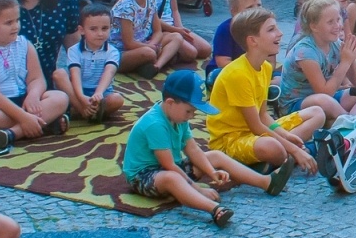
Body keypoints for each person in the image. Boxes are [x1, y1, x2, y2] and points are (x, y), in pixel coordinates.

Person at [123, 70, 294, 229]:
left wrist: (211, 172)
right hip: (144, 176)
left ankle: (266, 182)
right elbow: (169, 166)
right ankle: (214, 209)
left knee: (215, 156)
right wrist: (199, 189)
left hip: (169, 168)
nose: (191, 116)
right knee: (172, 178)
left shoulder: (178, 117)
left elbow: (193, 150)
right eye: (189, 111)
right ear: (170, 103)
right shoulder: (155, 124)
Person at [206, 8, 320, 171]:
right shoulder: (238, 74)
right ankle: (294, 153)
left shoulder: (265, 67)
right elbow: (256, 126)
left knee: (316, 113)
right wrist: (293, 148)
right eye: (271, 29)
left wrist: (286, 135)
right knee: (273, 147)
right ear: (253, 41)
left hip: (256, 133)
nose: (280, 33)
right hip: (231, 140)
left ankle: (285, 157)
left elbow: (263, 115)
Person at [0, 0, 71, 149]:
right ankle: (44, 123)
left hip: (22, 100)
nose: (16, 26)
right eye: (9, 22)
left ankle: (13, 133)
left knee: (60, 97)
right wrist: (23, 117)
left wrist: (33, 95)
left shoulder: (24, 44)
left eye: (17, 20)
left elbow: (37, 79)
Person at [284, 0, 356, 122]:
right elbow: (324, 93)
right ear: (314, 26)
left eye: (338, 19)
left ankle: (350, 119)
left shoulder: (335, 43)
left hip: (329, 99)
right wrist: (345, 63)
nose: (337, 25)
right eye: (330, 22)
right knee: (324, 100)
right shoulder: (305, 52)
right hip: (298, 105)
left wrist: (352, 58)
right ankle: (350, 120)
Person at [4, 0, 82, 84]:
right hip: (9, 79)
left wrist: (80, 77)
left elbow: (72, 39)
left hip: (46, 78)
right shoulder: (5, 3)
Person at [112, 0, 186, 77]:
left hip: (145, 44)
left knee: (176, 37)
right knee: (149, 53)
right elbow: (128, 44)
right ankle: (148, 61)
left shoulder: (151, 0)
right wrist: (150, 47)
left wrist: (152, 44)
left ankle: (156, 66)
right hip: (121, 52)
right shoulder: (126, 7)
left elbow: (158, 31)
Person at [53, 4, 124, 123]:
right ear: (82, 30)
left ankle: (80, 112)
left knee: (117, 99)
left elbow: (109, 73)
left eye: (104, 28)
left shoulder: (112, 51)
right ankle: (83, 110)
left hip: (101, 93)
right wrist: (81, 97)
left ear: (111, 28)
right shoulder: (74, 50)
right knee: (59, 74)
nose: (100, 33)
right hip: (78, 92)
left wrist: (98, 93)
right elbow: (75, 74)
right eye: (93, 29)